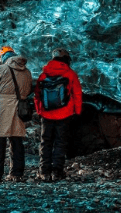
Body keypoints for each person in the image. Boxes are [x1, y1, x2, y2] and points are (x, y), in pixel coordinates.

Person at [0, 45, 33, 182]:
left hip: (2, 108)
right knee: (17, 142)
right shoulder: (27, 71)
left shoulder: (1, 69)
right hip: (19, 108)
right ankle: (16, 174)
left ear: (3, 57)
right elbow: (28, 90)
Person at [33, 48, 83, 182]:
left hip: (46, 114)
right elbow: (77, 94)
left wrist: (39, 111)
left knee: (46, 142)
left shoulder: (44, 74)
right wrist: (77, 112)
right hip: (64, 114)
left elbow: (37, 95)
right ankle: (57, 172)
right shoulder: (70, 74)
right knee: (61, 142)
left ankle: (44, 171)